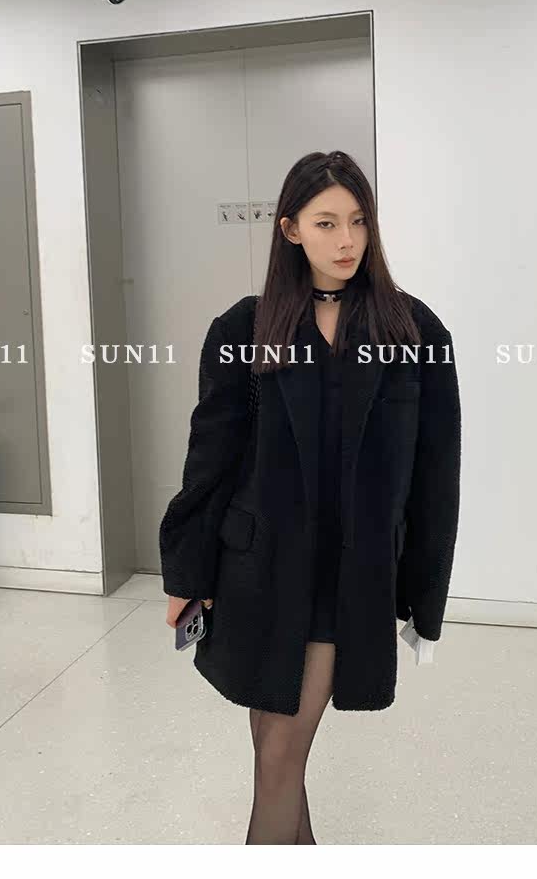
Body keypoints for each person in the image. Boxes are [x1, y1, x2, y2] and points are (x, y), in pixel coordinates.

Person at [160, 150, 461, 844]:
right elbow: (209, 464)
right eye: (326, 223)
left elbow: (435, 476)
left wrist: (425, 597)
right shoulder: (243, 329)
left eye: (358, 221)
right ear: (291, 230)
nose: (346, 239)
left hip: (348, 577)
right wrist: (186, 576)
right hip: (257, 571)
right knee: (275, 746)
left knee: (279, 753)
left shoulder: (413, 333)